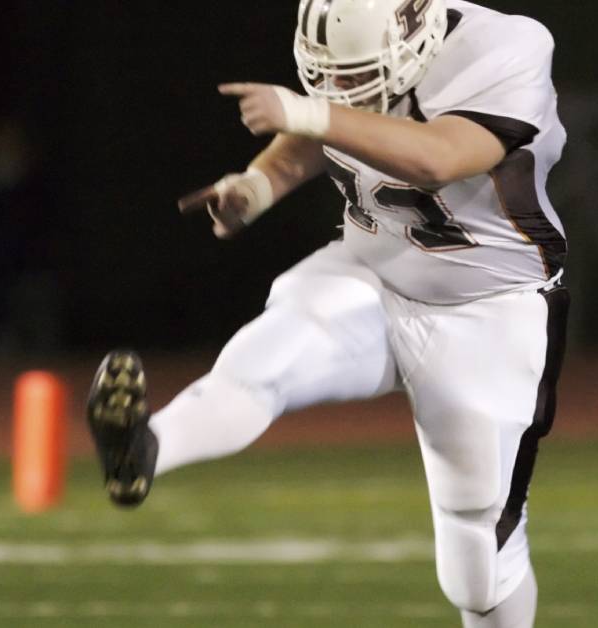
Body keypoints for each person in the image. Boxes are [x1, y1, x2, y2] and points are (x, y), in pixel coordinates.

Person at [85, 2, 568, 627]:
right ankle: (145, 450)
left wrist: (312, 111)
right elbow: (330, 128)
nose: (341, 90)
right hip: (373, 272)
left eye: (355, 76)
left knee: (478, 562)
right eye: (331, 78)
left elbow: (439, 156)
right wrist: (258, 186)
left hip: (490, 311)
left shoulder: (508, 46)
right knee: (264, 362)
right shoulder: (358, 74)